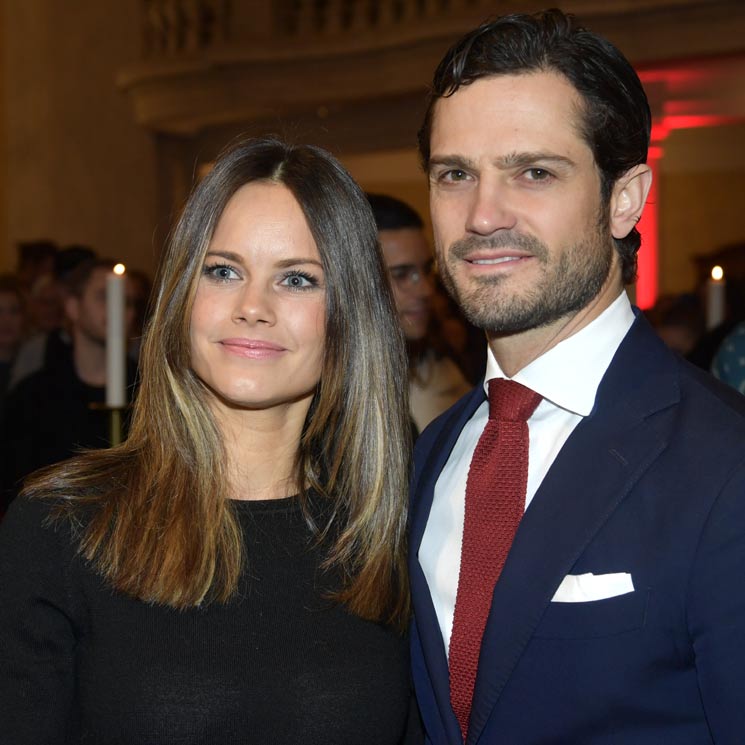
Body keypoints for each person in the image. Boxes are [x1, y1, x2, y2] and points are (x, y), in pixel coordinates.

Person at [0, 137, 420, 744]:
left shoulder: (392, 535)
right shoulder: (60, 529)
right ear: (181, 297)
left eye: (298, 279)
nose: (253, 306)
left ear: (350, 315)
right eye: (223, 271)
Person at [409, 9, 745, 744]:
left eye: (532, 171)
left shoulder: (725, 463)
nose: (482, 214)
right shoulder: (424, 456)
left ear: (623, 198)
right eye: (455, 174)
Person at [1, 257, 138, 506]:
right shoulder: (33, 397)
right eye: (104, 297)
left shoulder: (149, 392)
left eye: (126, 302)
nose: (118, 309)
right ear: (73, 307)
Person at [367, 193, 471, 432]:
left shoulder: (436, 364)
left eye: (426, 270)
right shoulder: (321, 394)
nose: (425, 289)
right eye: (401, 274)